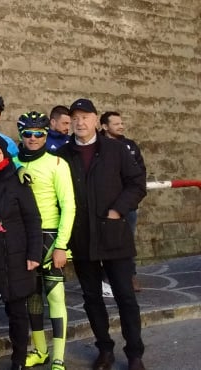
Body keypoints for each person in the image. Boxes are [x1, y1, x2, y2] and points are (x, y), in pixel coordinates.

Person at [55, 99, 147, 370]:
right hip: (81, 238)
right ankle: (104, 348)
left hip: (114, 235)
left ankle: (134, 354)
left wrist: (118, 210)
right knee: (92, 298)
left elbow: (137, 184)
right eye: (75, 118)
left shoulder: (116, 149)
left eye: (86, 117)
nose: (80, 122)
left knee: (125, 297)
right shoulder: (63, 154)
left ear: (96, 120)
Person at [0, 134, 43, 370]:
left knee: (17, 311)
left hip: (14, 253)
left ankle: (18, 360)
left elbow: (33, 219)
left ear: (4, 156)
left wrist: (34, 254)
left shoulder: (17, 181)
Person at [14, 112, 76, 370]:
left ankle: (59, 356)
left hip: (50, 236)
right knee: (33, 297)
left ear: (45, 134)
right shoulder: (12, 162)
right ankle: (40, 351)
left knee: (55, 297)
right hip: (23, 237)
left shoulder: (58, 164)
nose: (33, 138)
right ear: (21, 135)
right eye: (27, 133)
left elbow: (69, 206)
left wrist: (61, 245)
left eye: (39, 133)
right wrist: (16, 168)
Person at [100, 110, 146, 292]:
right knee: (102, 243)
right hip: (102, 206)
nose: (121, 126)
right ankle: (104, 278)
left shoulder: (130, 146)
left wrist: (127, 202)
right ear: (104, 126)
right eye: (116, 123)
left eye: (121, 123)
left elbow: (139, 174)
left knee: (127, 241)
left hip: (127, 206)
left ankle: (130, 275)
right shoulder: (97, 146)